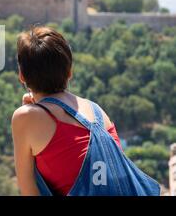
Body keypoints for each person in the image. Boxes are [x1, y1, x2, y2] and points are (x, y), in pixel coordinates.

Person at [11, 26, 160, 196]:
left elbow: (29, 190)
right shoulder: (97, 111)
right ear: (69, 73)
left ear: (22, 75)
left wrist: (29, 110)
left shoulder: (25, 117)